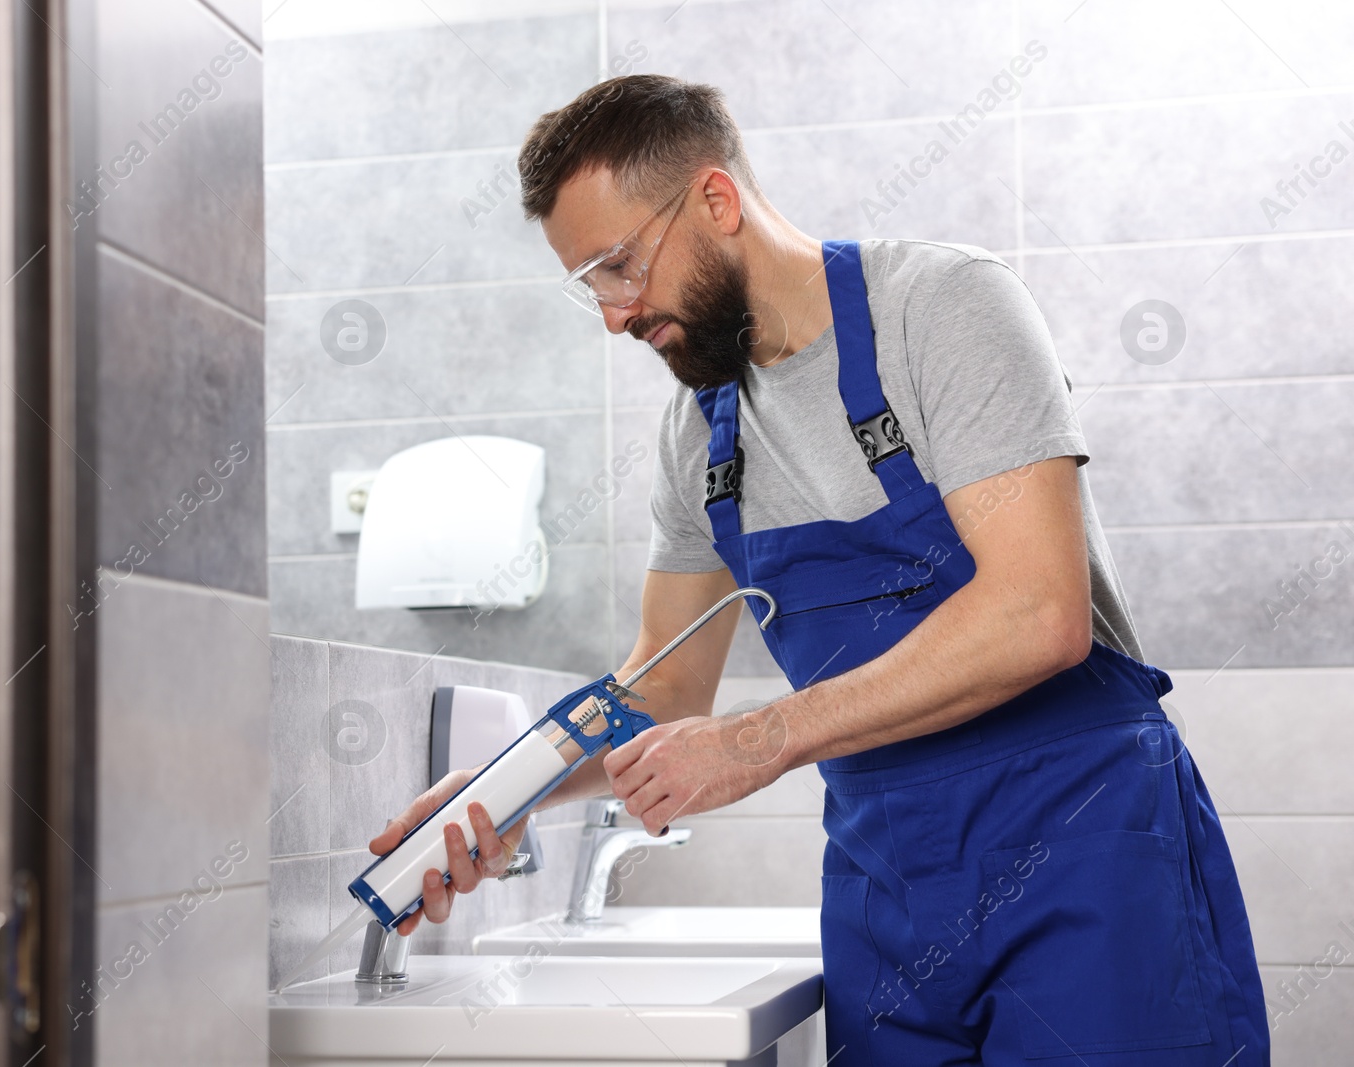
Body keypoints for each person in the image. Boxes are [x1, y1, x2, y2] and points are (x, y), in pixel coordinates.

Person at [368, 74, 1269, 1065]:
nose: (614, 316)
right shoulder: (695, 436)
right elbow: (664, 686)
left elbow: (1036, 612)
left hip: (1086, 862)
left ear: (716, 202)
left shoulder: (943, 307)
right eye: (590, 283)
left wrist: (760, 740)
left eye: (620, 266)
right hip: (889, 892)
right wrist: (502, 797)